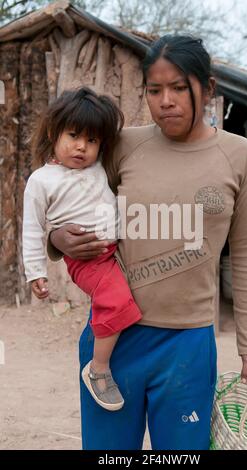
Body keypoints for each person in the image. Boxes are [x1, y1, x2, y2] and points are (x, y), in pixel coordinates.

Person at [47, 35, 247, 450]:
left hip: (187, 345)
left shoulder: (239, 155)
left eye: (178, 88)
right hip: (115, 339)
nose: (165, 100)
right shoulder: (122, 145)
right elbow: (65, 192)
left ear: (207, 89)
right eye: (154, 90)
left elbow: (246, 254)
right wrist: (55, 236)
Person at [22, 87, 142, 412]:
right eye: (73, 135)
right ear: (53, 132)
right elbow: (32, 228)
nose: (81, 147)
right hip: (87, 260)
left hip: (115, 250)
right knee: (115, 302)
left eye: (91, 141)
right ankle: (98, 368)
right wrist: (36, 271)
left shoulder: (98, 167)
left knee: (127, 296)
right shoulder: (42, 180)